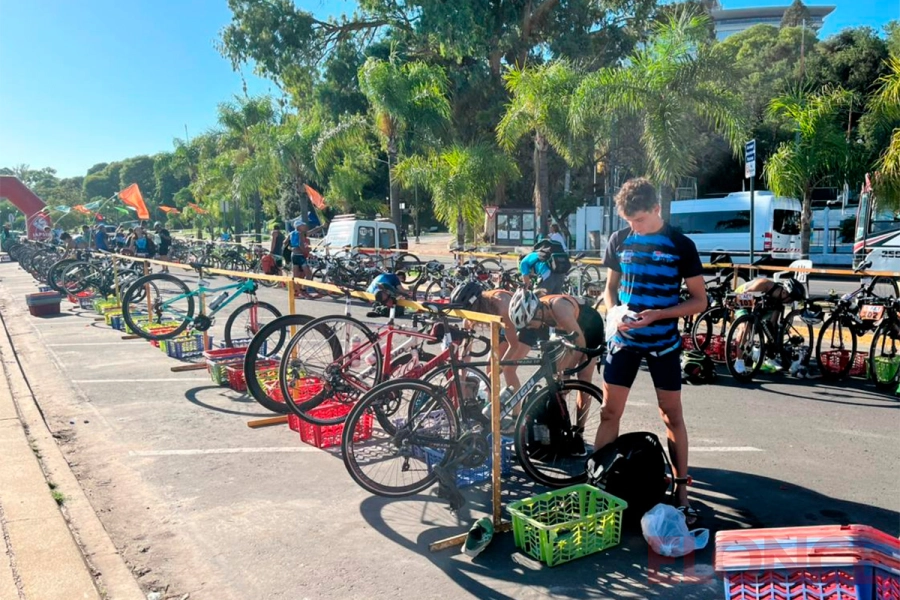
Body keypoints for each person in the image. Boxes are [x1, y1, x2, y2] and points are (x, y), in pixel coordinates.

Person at [599, 177, 707, 523]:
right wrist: (616, 312)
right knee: (608, 414)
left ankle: (681, 490)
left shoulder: (681, 245)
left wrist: (660, 314)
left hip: (663, 344)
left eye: (641, 220)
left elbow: (699, 301)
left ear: (657, 210)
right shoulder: (620, 239)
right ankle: (599, 487)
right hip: (624, 340)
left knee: (671, 416)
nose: (635, 228)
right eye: (630, 222)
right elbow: (610, 289)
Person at [508, 287, 605, 455]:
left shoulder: (559, 309)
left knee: (582, 380)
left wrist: (568, 370)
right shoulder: (539, 312)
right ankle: (558, 428)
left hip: (590, 328)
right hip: (570, 330)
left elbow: (580, 344)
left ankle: (578, 434)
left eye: (530, 324)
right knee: (559, 383)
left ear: (538, 313)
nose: (530, 329)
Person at [730, 276, 807, 373]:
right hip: (742, 298)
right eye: (791, 299)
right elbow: (744, 296)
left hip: (759, 306)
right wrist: (752, 313)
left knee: (770, 328)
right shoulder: (764, 284)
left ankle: (764, 358)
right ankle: (739, 362)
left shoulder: (779, 301)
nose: (790, 303)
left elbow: (772, 324)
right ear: (784, 292)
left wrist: (770, 347)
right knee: (745, 327)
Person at [289, 221, 312, 297]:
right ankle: (304, 290)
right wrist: (306, 251)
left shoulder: (291, 233)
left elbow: (285, 243)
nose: (304, 226)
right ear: (298, 227)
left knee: (296, 275)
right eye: (303, 225)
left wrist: (292, 248)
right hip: (300, 255)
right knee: (308, 274)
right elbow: (301, 244)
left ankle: (296, 292)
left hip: (293, 255)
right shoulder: (300, 233)